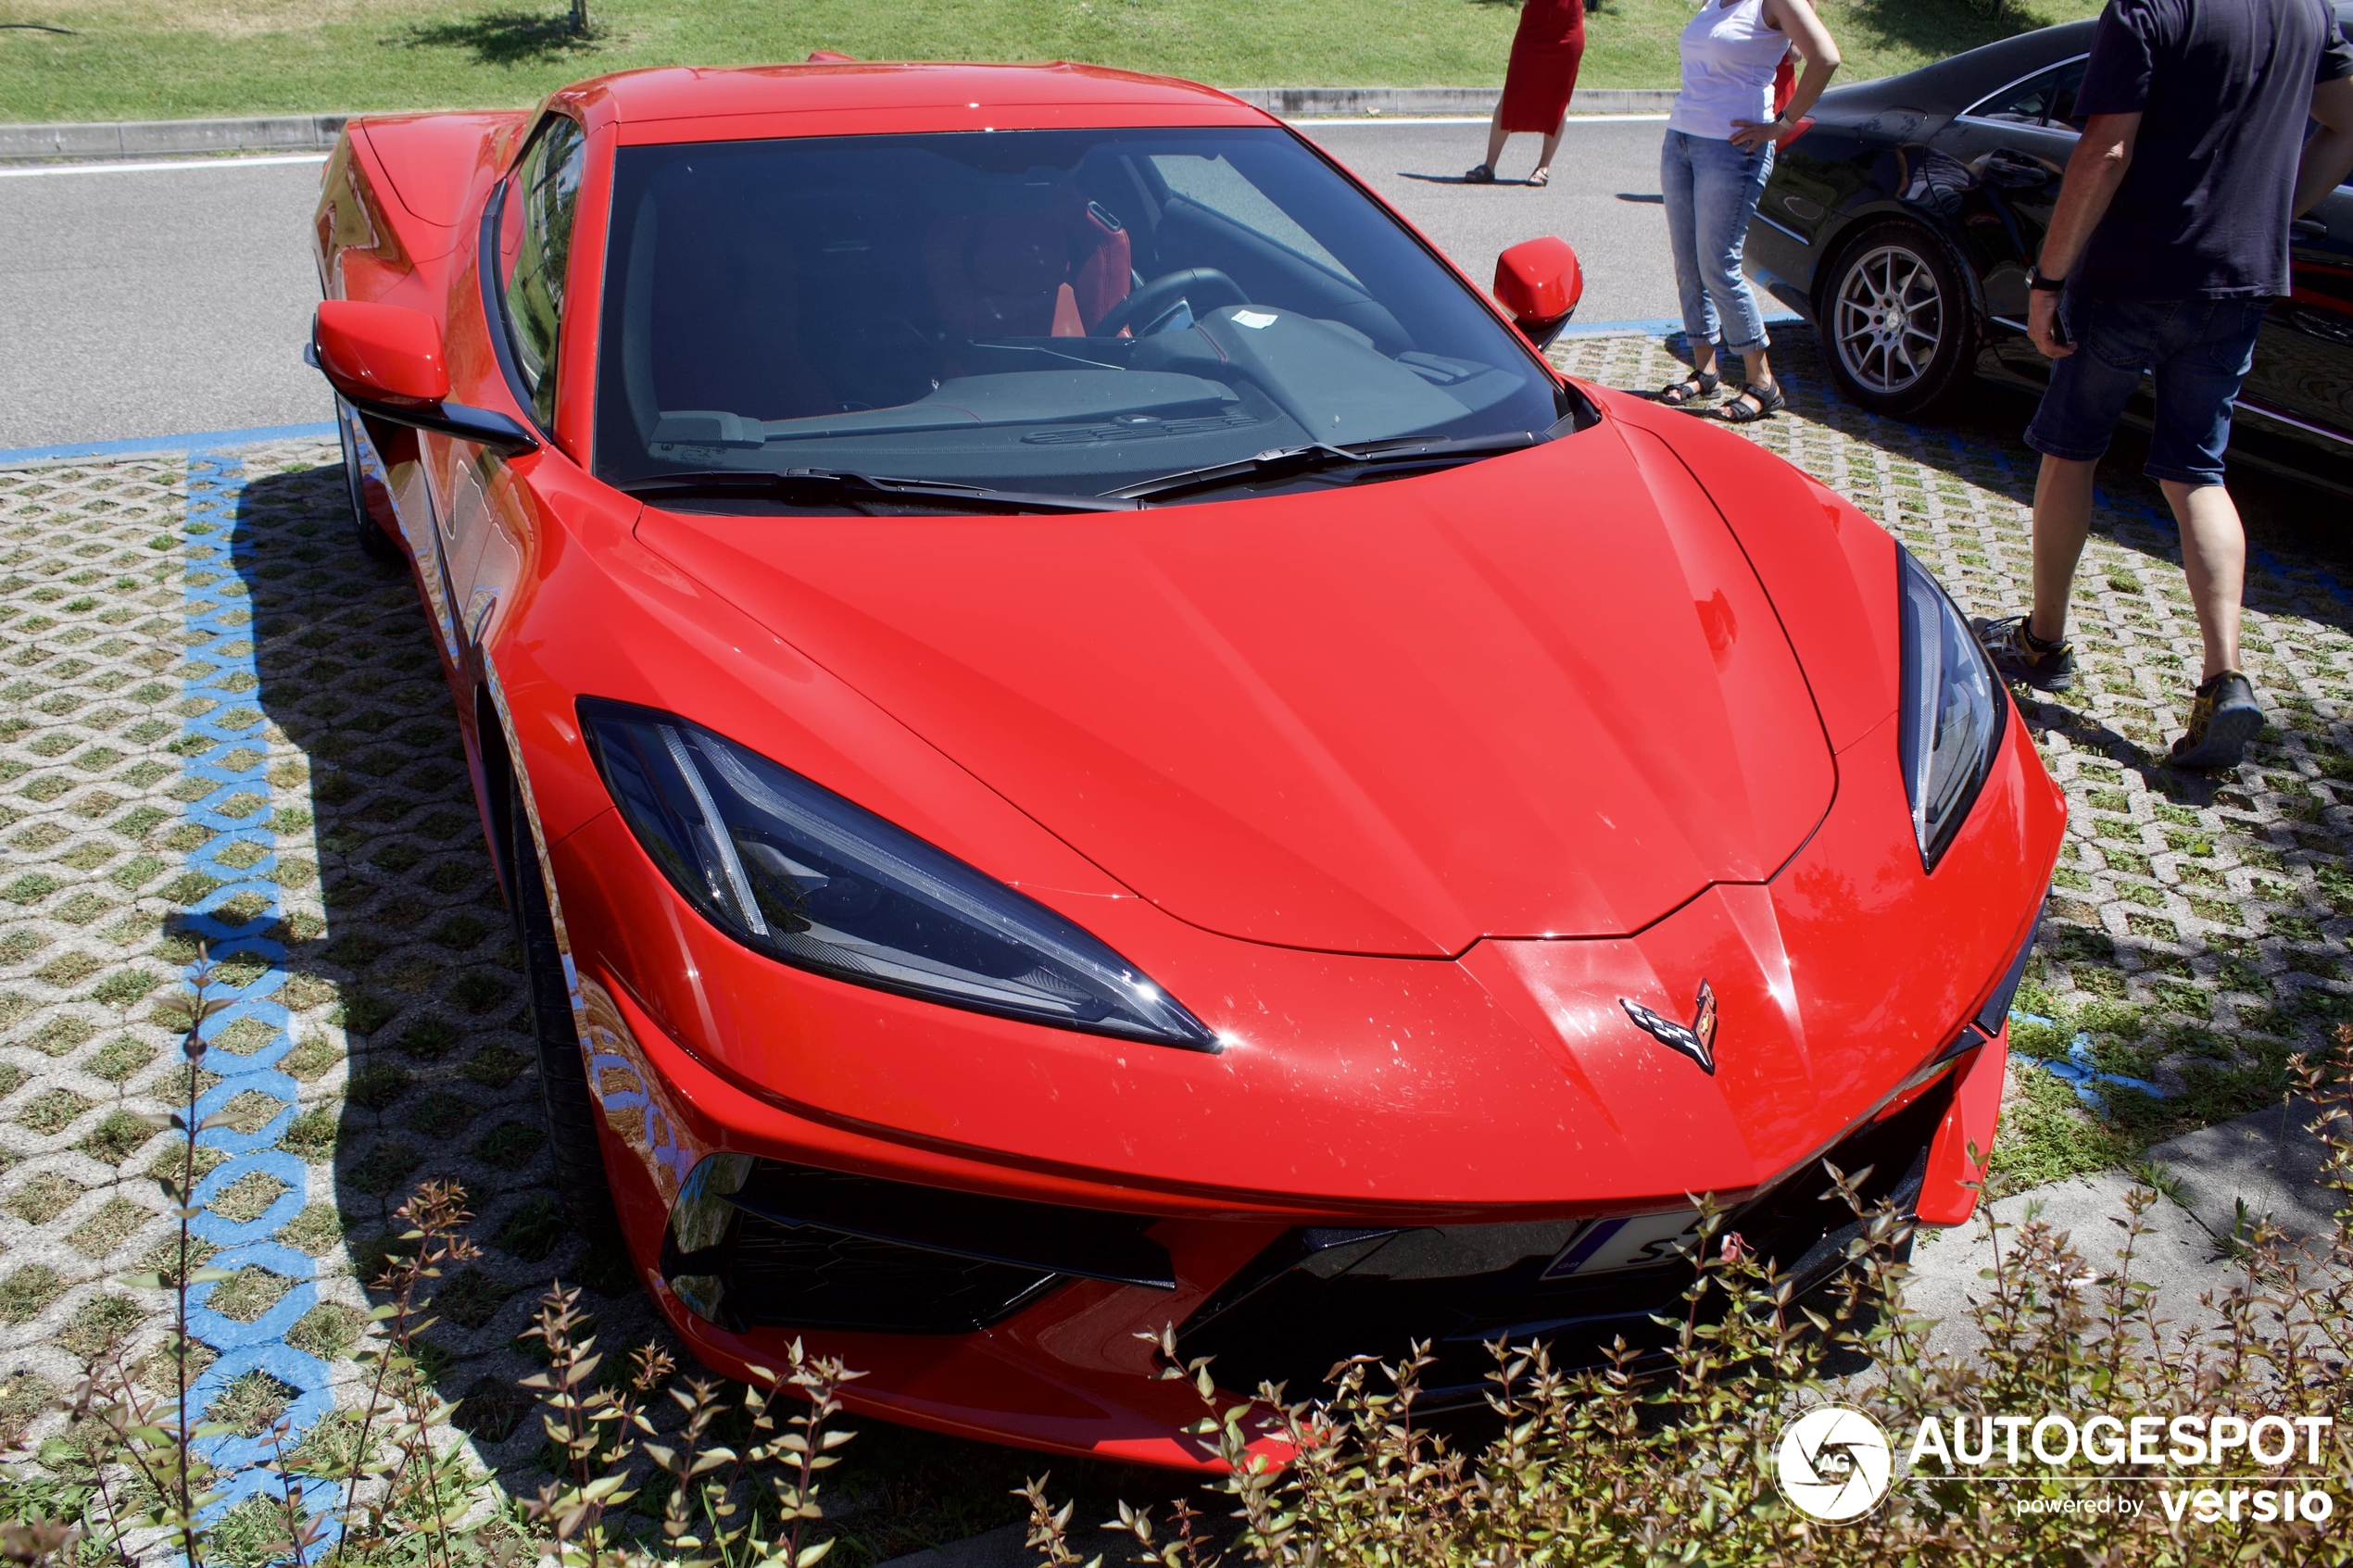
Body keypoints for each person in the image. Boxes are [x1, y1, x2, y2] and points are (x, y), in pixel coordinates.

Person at [1975, 0, 2353, 770]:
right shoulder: (2311, 9)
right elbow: (2346, 125)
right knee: (2197, 474)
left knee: (2070, 449)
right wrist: (2270, 217)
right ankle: (2224, 677)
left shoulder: (2153, 8)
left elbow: (2104, 152)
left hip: (2130, 277)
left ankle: (2043, 640)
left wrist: (2048, 278)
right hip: (2238, 283)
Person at [1655, 0, 1840, 422]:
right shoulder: (1713, 3)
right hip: (1682, 138)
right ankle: (1705, 369)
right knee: (1688, 261)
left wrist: (1784, 123)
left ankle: (1762, 383)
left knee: (1718, 263)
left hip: (1734, 150)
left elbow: (1825, 57)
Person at [1465, 0, 1586, 188]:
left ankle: (1543, 166)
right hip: (1533, 23)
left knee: (1559, 97)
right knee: (1513, 91)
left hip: (1567, 27)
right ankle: (1489, 165)